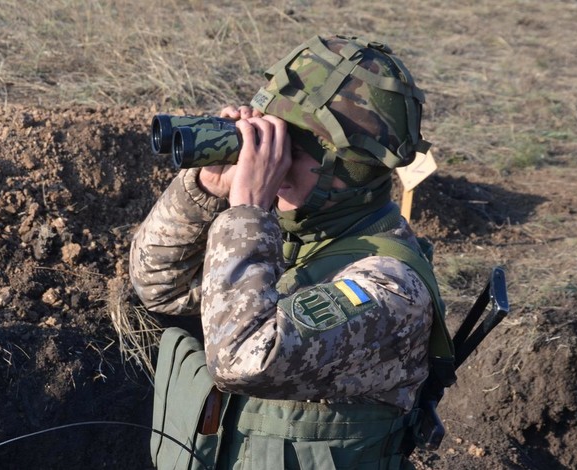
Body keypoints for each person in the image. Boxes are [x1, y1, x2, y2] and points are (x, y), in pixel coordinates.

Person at [130, 34, 453, 470]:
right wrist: (208, 188)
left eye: (291, 151)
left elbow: (243, 361)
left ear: (349, 170)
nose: (270, 160)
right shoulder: (285, 238)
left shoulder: (390, 288)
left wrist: (247, 210)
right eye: (268, 141)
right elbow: (159, 286)